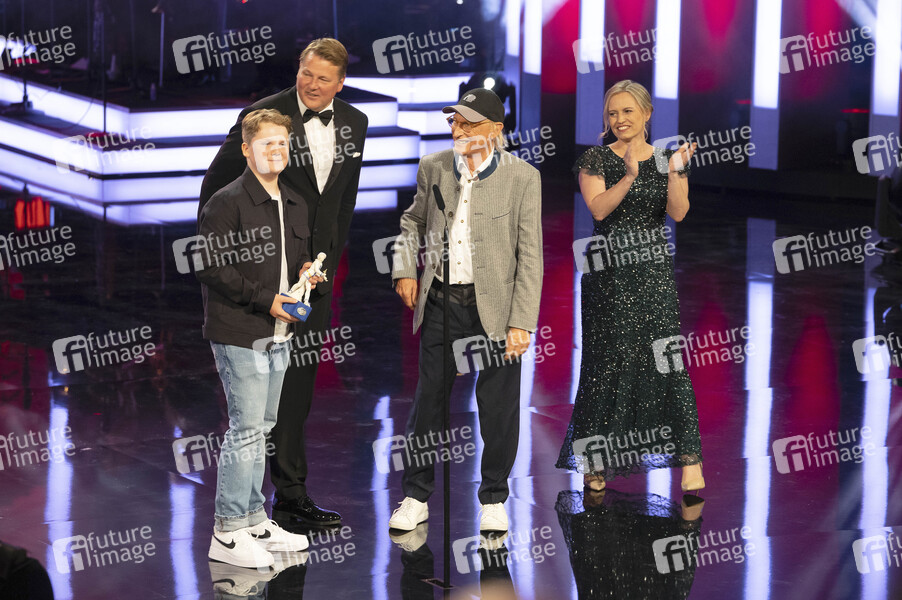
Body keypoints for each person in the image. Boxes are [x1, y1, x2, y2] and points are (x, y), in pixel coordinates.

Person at [199, 38, 368, 527]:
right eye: (306, 73)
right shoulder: (263, 116)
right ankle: (241, 517)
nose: (312, 85)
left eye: (323, 79)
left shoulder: (356, 122)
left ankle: (289, 498)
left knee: (294, 394)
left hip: (312, 279)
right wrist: (235, 264)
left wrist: (326, 259)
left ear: (340, 83)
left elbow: (343, 199)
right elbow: (215, 188)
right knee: (252, 409)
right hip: (261, 278)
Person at [388, 88, 543, 532]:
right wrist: (405, 267)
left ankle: (493, 498)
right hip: (442, 300)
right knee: (428, 403)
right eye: (454, 122)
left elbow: (530, 254)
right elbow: (413, 221)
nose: (457, 130)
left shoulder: (522, 177)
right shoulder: (434, 166)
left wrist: (521, 321)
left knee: (498, 408)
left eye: (468, 123)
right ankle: (415, 496)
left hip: (495, 307)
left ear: (494, 130)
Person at [556, 79, 704, 493]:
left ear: (647, 114)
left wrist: (673, 171)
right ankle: (595, 460)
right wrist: (629, 177)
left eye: (627, 111)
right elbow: (598, 209)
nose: (620, 119)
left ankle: (690, 460)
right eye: (613, 113)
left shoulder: (667, 159)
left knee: (666, 358)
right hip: (609, 273)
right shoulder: (595, 158)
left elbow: (679, 212)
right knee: (606, 362)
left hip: (653, 271)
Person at [197, 108, 320, 568]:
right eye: (267, 143)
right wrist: (266, 299)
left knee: (262, 428)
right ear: (247, 149)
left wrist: (307, 271)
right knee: (246, 429)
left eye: (283, 143)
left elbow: (295, 258)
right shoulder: (226, 202)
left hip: (280, 331)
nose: (277, 151)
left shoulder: (294, 201)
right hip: (240, 331)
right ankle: (228, 530)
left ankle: (253, 518)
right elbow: (210, 266)